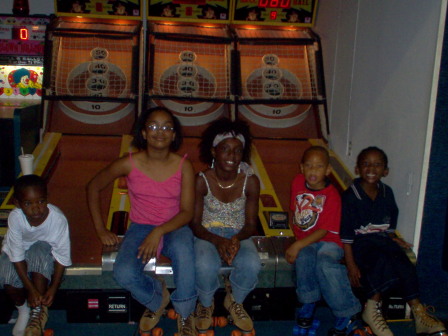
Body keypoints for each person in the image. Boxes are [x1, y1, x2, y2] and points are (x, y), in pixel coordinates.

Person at [86, 107, 197, 336]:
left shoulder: (183, 166)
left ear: (175, 135)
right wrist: (100, 229)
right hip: (141, 226)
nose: (160, 132)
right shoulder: (129, 163)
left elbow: (187, 212)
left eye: (167, 127)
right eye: (153, 126)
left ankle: (186, 314)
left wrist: (158, 232)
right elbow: (93, 187)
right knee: (124, 272)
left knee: (185, 256)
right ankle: (157, 299)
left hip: (175, 225)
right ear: (144, 133)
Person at [341, 146, 446, 336]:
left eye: (377, 164)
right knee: (380, 259)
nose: (371, 168)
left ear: (385, 171)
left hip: (381, 240)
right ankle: (371, 309)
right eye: (365, 164)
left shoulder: (386, 192)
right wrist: (350, 264)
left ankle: (418, 311)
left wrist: (393, 240)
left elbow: (388, 226)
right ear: (357, 169)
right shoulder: (350, 196)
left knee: (401, 260)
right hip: (361, 244)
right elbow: (347, 236)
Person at [190, 118, 261, 334]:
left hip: (239, 233)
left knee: (252, 264)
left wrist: (235, 240)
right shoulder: (201, 180)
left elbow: (251, 224)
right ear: (213, 151)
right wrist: (218, 240)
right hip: (206, 233)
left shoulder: (250, 181)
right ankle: (205, 302)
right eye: (225, 149)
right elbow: (195, 224)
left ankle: (235, 300)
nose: (232, 156)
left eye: (238, 151)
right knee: (204, 264)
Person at [286, 146, 362, 336]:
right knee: (304, 258)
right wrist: (296, 237)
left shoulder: (332, 196)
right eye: (309, 166)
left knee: (325, 264)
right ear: (301, 167)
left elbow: (323, 230)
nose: (313, 171)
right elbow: (293, 210)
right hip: (306, 241)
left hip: (330, 242)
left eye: (319, 167)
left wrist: (297, 245)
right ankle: (308, 303)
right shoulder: (297, 182)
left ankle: (347, 312)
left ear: (328, 170)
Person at [0, 175, 71, 336]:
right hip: (16, 254)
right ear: (17, 204)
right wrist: (30, 289)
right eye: (28, 203)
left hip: (44, 254)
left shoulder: (58, 220)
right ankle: (23, 309)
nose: (36, 208)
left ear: (47, 199)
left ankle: (38, 311)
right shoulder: (15, 218)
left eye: (41, 201)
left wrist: (54, 288)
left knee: (38, 249)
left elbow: (62, 257)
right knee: (6, 274)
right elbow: (16, 256)